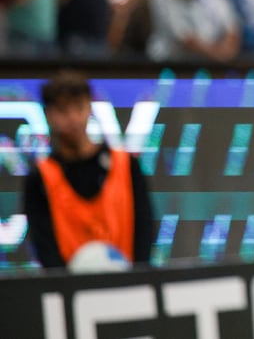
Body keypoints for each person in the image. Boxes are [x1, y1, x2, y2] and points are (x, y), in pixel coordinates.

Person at [22, 69, 155, 270]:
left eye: (79, 107)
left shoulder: (125, 164)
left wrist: (137, 275)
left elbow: (144, 227)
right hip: (70, 290)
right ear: (49, 115)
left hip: (129, 285)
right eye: (63, 110)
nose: (73, 118)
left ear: (89, 108)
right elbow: (44, 244)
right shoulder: (40, 179)